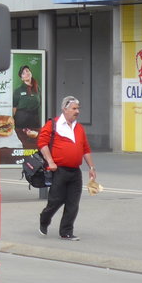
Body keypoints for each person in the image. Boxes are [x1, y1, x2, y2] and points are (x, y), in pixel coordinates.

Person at [37, 95, 97, 240]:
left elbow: (85, 149)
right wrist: (50, 161)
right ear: (65, 109)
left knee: (73, 203)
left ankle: (66, 232)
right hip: (60, 170)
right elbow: (42, 143)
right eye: (74, 108)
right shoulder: (54, 124)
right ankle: (44, 219)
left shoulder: (79, 128)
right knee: (55, 200)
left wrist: (91, 167)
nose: (77, 111)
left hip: (75, 171)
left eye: (78, 108)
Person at [12, 64, 42, 143]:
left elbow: (40, 103)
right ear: (22, 78)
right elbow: (14, 108)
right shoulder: (18, 90)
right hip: (21, 120)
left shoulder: (37, 88)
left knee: (35, 142)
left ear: (31, 73)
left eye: (28, 71)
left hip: (34, 119)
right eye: (24, 72)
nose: (27, 73)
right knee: (22, 141)